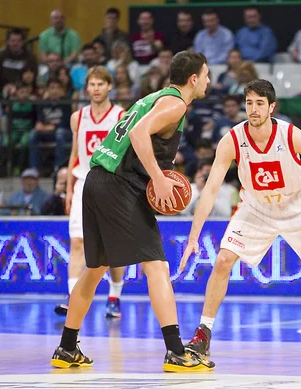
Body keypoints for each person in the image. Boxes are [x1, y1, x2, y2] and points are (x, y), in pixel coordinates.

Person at [178, 79, 301, 361]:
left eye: (260, 103)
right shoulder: (232, 140)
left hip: (297, 204)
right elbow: (211, 189)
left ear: (272, 107)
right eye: (249, 103)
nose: (253, 109)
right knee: (223, 259)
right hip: (256, 206)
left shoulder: (289, 134)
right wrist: (193, 236)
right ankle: (203, 334)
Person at [50, 51, 213, 372]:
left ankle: (67, 347)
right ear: (193, 79)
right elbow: (139, 134)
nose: (209, 81)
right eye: (206, 75)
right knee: (156, 264)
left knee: (95, 267)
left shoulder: (153, 97)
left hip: (95, 179)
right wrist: (158, 179)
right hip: (118, 185)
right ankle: (176, 351)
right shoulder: (176, 103)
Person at [53, 66, 127, 318]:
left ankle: (115, 295)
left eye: (100, 84)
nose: (96, 89)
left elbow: (125, 155)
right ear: (87, 88)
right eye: (92, 85)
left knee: (113, 248)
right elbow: (75, 153)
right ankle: (73, 296)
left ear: (109, 86)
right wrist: (70, 188)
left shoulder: (120, 115)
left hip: (110, 184)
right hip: (83, 181)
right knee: (77, 242)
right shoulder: (78, 117)